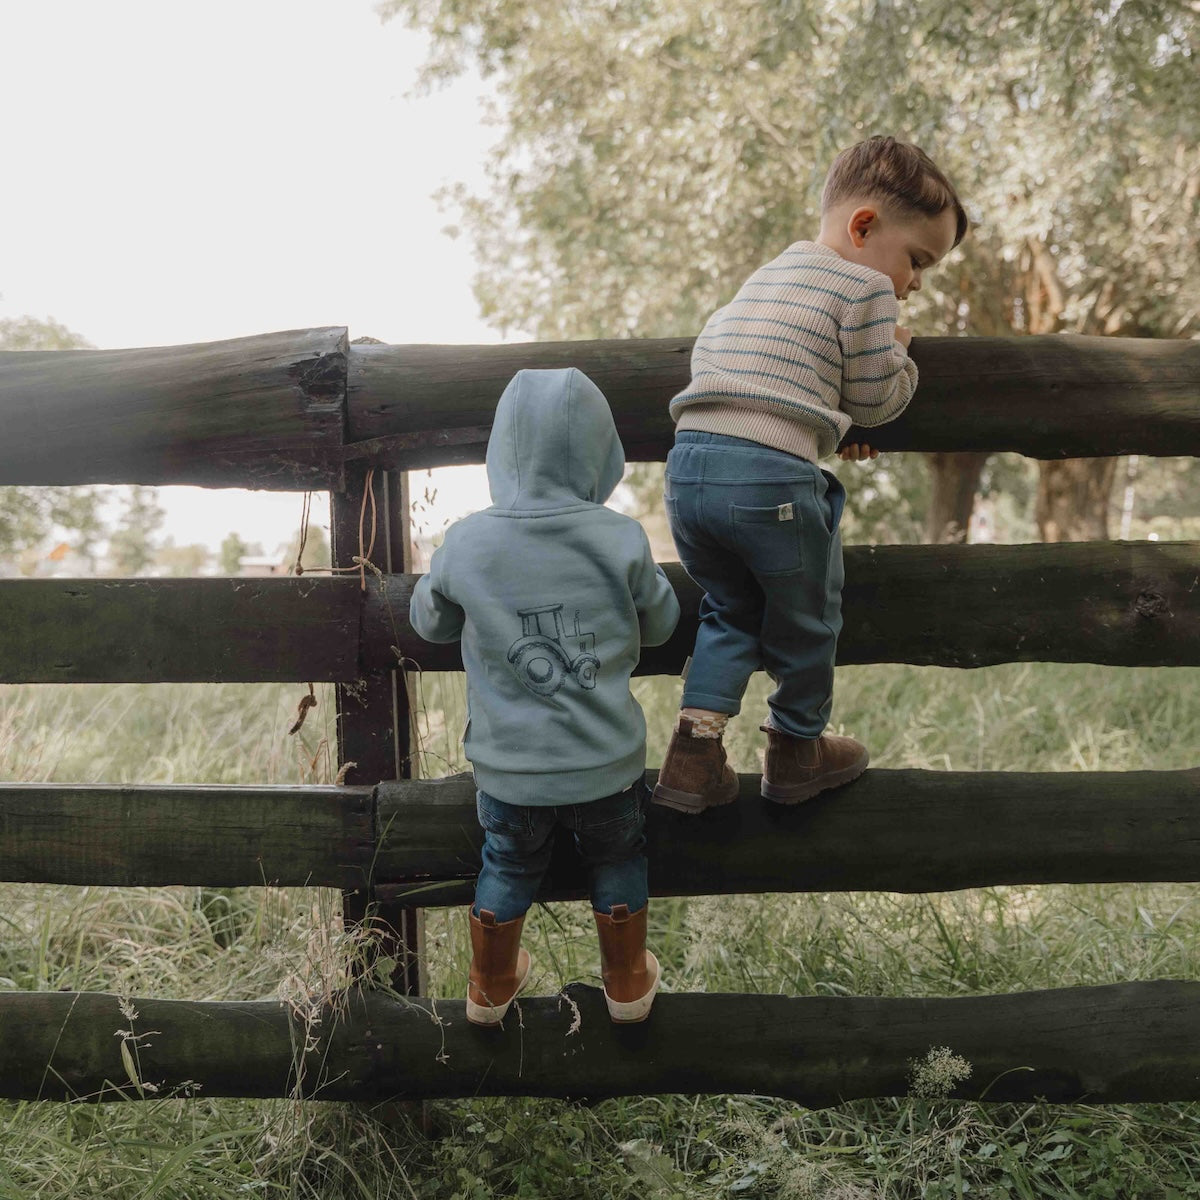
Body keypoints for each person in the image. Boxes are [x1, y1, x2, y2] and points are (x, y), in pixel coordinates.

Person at [653, 135, 967, 815]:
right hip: (767, 482)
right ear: (863, 227)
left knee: (730, 610)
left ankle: (693, 753)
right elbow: (878, 397)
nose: (914, 284)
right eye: (918, 261)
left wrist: (830, 423)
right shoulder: (865, 287)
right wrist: (901, 351)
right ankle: (797, 747)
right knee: (807, 619)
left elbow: (786, 376)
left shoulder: (766, 277)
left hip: (690, 474)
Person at [410, 367, 680, 1025]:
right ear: (600, 454)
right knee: (618, 857)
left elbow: (430, 621)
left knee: (505, 865)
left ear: (501, 453)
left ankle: (490, 981)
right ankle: (625, 980)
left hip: (509, 775)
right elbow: (662, 623)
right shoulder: (619, 537)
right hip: (608, 768)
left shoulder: (468, 540)